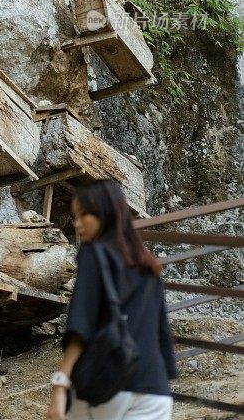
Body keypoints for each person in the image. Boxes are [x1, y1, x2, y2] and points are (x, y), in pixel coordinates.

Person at [46, 180, 177, 420]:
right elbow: (162, 333)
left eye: (84, 215)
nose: (77, 224)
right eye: (75, 216)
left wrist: (60, 383)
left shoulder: (94, 252)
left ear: (105, 213)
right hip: (156, 392)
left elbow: (81, 324)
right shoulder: (147, 264)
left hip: (109, 385)